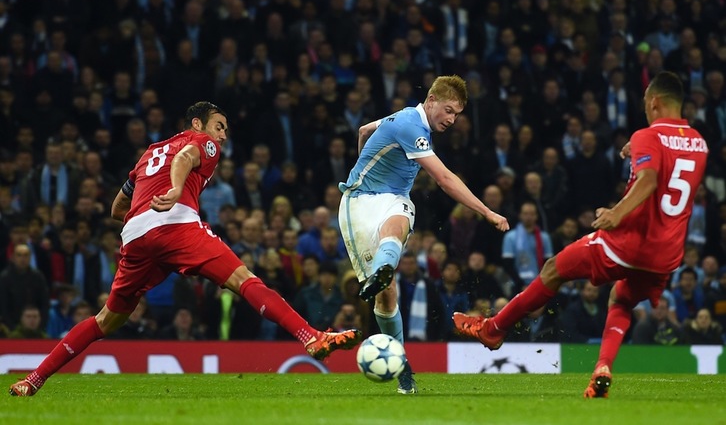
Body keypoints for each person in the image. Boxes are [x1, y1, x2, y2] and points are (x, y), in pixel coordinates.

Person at [9, 101, 362, 397]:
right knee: (245, 279)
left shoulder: (149, 153)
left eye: (224, 130)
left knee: (106, 319)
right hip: (175, 225)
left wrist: (146, 219)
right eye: (219, 126)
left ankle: (33, 379)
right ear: (198, 123)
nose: (223, 135)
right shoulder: (202, 142)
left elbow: (119, 206)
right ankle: (311, 336)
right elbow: (186, 158)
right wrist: (177, 191)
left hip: (135, 235)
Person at [454, 71, 708, 398]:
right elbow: (673, 172)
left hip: (626, 244)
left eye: (646, 105)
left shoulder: (647, 136)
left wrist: (616, 213)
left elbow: (648, 180)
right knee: (622, 298)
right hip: (666, 256)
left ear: (654, 102)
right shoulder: (698, 143)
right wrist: (641, 148)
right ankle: (602, 367)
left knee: (553, 270)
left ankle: (493, 328)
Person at [339, 75, 509, 395]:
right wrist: (487, 212)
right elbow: (444, 179)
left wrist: (362, 162)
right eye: (447, 110)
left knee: (401, 214)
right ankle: (400, 356)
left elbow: (364, 131)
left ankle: (384, 271)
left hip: (385, 198)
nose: (451, 119)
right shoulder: (411, 126)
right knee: (387, 297)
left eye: (456, 115)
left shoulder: (404, 116)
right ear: (430, 101)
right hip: (360, 205)